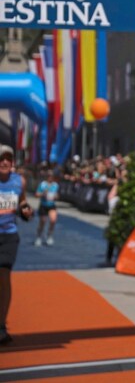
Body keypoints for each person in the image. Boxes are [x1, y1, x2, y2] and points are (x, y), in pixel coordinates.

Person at [0, 145, 33, 344]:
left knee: (3, 277)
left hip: (9, 236)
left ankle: (1, 325)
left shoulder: (18, 181)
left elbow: (22, 202)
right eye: (1, 159)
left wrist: (25, 210)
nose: (4, 162)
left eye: (8, 159)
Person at [34, 170, 59, 246]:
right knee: (43, 221)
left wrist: (56, 196)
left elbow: (57, 195)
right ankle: (39, 236)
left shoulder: (55, 185)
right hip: (43, 205)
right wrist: (43, 194)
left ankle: (49, 235)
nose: (50, 177)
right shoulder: (43, 184)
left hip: (51, 205)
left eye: (51, 176)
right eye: (48, 176)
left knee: (53, 220)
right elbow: (36, 194)